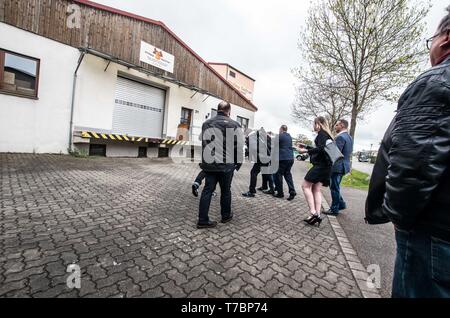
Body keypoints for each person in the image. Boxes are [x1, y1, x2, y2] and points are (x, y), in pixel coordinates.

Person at [365, 6, 450, 298]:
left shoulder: (437, 82)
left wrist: (398, 216)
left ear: (446, 39)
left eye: (432, 39)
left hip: (433, 237)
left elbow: (414, 166)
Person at [197, 101, 243, 229]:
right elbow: (238, 146)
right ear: (229, 111)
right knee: (226, 191)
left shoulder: (206, 124)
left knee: (207, 190)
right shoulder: (235, 124)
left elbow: (204, 142)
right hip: (227, 165)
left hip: (210, 164)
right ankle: (226, 215)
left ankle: (202, 220)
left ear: (218, 110)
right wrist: (238, 163)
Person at [298, 117, 333, 227]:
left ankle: (313, 213)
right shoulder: (327, 135)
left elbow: (321, 149)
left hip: (321, 166)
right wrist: (307, 146)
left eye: (314, 123)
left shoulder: (322, 134)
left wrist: (306, 150)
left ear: (319, 124)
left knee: (305, 186)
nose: (313, 126)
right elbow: (321, 148)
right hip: (327, 167)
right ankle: (316, 215)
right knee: (316, 189)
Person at [324, 119, 353, 216]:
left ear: (342, 125)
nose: (335, 127)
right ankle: (341, 204)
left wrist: (328, 145)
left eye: (337, 125)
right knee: (335, 186)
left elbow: (335, 153)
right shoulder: (349, 137)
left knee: (334, 188)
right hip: (344, 166)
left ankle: (334, 209)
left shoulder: (340, 137)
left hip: (338, 166)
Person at [242, 128, 274, 197]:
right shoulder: (263, 136)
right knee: (266, 173)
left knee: (253, 172)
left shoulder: (251, 137)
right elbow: (271, 145)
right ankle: (269, 187)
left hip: (261, 158)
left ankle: (252, 191)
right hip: (268, 156)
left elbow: (253, 149)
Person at [273, 125, 297, 201]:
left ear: (281, 129)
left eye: (279, 129)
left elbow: (274, 145)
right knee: (287, 174)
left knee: (278, 174)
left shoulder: (280, 135)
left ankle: (280, 193)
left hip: (283, 158)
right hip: (290, 158)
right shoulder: (289, 136)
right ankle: (292, 191)